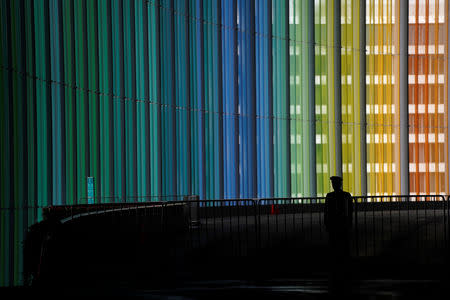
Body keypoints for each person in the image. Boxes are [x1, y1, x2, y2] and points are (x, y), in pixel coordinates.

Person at [324, 176, 353, 295]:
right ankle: (341, 266)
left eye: (334, 183)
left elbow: (350, 211)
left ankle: (338, 267)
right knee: (340, 245)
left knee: (338, 245)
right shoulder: (345, 195)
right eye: (333, 183)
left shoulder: (335, 196)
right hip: (339, 225)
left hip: (338, 225)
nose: (333, 185)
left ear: (339, 184)